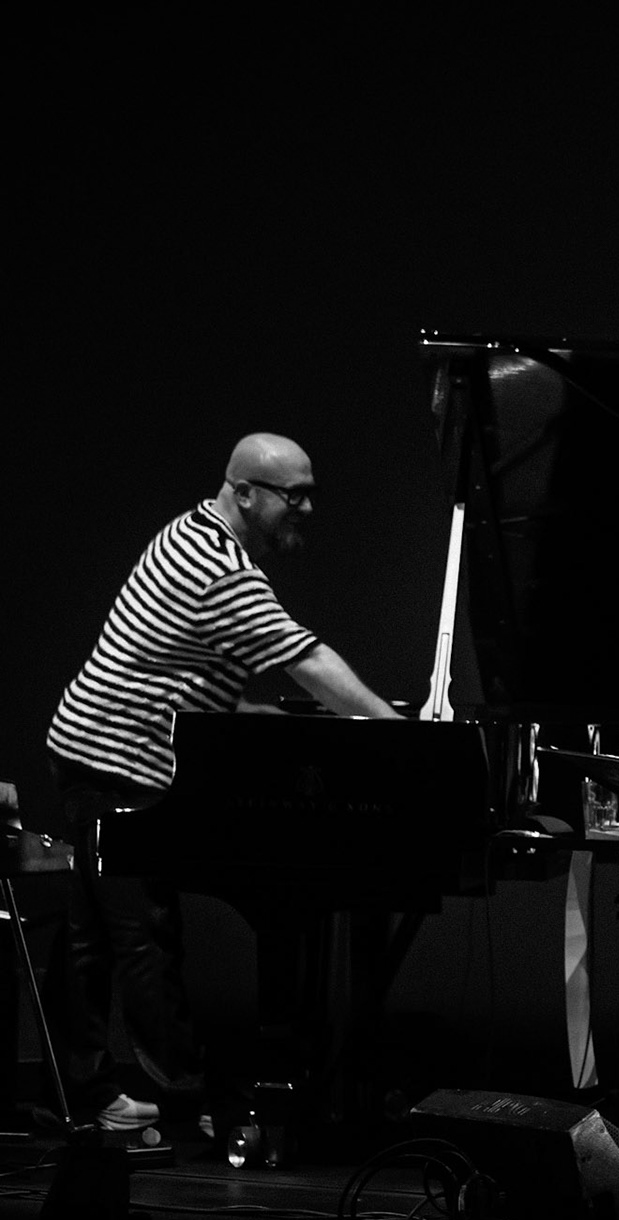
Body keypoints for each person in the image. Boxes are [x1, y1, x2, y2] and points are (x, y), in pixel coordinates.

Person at [45, 433, 400, 1133]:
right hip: (114, 759)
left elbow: (167, 666)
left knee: (94, 935)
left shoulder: (190, 531)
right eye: (290, 495)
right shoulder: (217, 566)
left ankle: (89, 1096)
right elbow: (309, 658)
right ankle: (185, 1101)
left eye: (310, 493)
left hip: (91, 747)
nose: (304, 508)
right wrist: (396, 729)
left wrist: (243, 709)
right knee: (141, 935)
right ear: (242, 491)